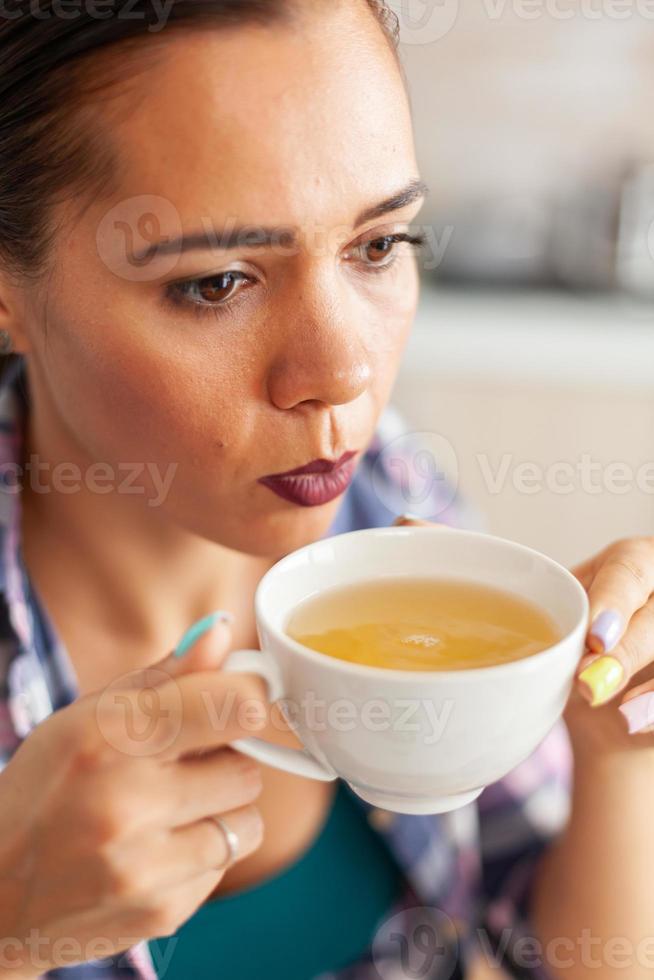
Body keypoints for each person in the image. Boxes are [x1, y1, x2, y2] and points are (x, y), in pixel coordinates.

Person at [0, 2, 652, 978]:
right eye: (218, 281)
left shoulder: (380, 481)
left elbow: (549, 955)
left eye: (378, 245)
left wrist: (615, 755)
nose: (344, 372)